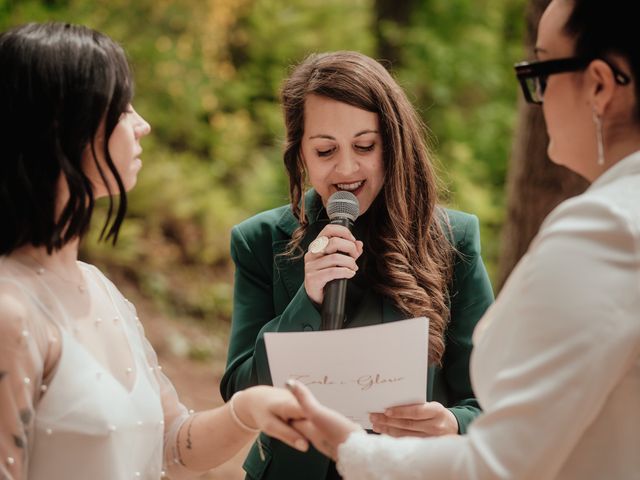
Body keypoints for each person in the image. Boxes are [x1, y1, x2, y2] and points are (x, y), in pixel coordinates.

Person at [286, 0, 640, 478]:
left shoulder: (606, 230)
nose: (538, 93)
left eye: (542, 68)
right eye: (326, 149)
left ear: (598, 85)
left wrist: (351, 447)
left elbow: (500, 463)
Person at [0, 22, 310, 480]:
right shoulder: (11, 311)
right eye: (122, 108)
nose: (142, 124)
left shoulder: (102, 290)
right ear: (66, 129)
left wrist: (249, 409)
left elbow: (171, 443)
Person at [220, 51, 494, 479]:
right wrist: (305, 301)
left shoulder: (452, 239)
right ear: (301, 155)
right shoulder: (259, 241)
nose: (346, 168)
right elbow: (240, 392)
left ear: (393, 144)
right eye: (326, 150)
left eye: (365, 146)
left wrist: (453, 423)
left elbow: (491, 402)